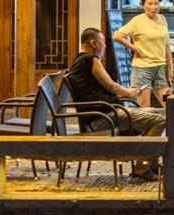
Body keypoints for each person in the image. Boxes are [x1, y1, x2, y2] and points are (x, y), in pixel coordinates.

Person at [68, 27, 165, 181]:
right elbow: (111, 86)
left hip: (107, 113)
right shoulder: (90, 59)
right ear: (94, 43)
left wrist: (127, 93)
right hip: (105, 117)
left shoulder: (79, 61)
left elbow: (106, 88)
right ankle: (141, 167)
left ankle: (149, 164)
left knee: (159, 113)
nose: (105, 46)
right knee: (160, 120)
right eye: (103, 42)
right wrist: (130, 93)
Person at [113, 0, 174, 108]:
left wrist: (171, 66)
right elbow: (116, 36)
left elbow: (166, 44)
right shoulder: (137, 21)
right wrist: (134, 48)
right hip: (142, 69)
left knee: (169, 105)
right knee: (144, 107)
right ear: (143, 5)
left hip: (159, 68)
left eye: (156, 3)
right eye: (149, 4)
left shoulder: (162, 19)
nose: (153, 7)